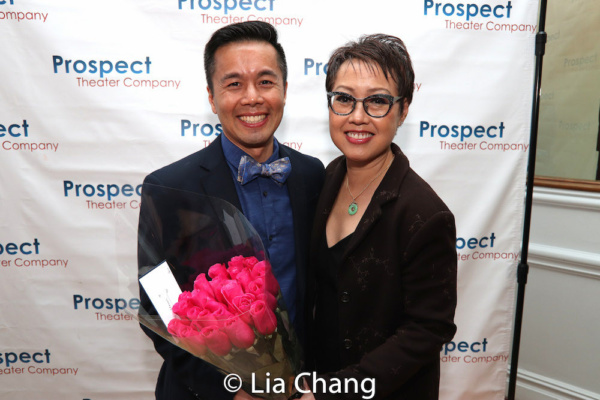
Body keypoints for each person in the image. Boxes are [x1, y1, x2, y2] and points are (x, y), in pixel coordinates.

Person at [137, 21, 325, 400]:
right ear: (211, 96)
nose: (252, 97)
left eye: (266, 82)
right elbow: (158, 308)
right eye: (234, 83)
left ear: (285, 91)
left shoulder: (313, 175)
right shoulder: (169, 187)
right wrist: (229, 392)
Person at [303, 34, 458, 399]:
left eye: (377, 101)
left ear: (403, 110)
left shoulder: (424, 213)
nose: (357, 117)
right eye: (343, 99)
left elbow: (427, 330)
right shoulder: (320, 182)